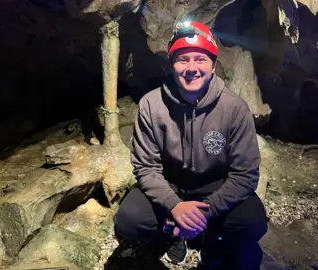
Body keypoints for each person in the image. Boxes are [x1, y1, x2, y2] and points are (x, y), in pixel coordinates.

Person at [113, 20, 268, 270]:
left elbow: (245, 174)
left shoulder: (234, 108)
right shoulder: (151, 106)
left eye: (200, 59)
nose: (191, 68)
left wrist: (204, 213)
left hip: (214, 185)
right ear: (172, 65)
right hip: (170, 182)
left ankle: (206, 235)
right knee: (130, 221)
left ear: (213, 65)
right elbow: (145, 167)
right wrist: (174, 206)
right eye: (183, 59)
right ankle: (174, 234)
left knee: (252, 223)